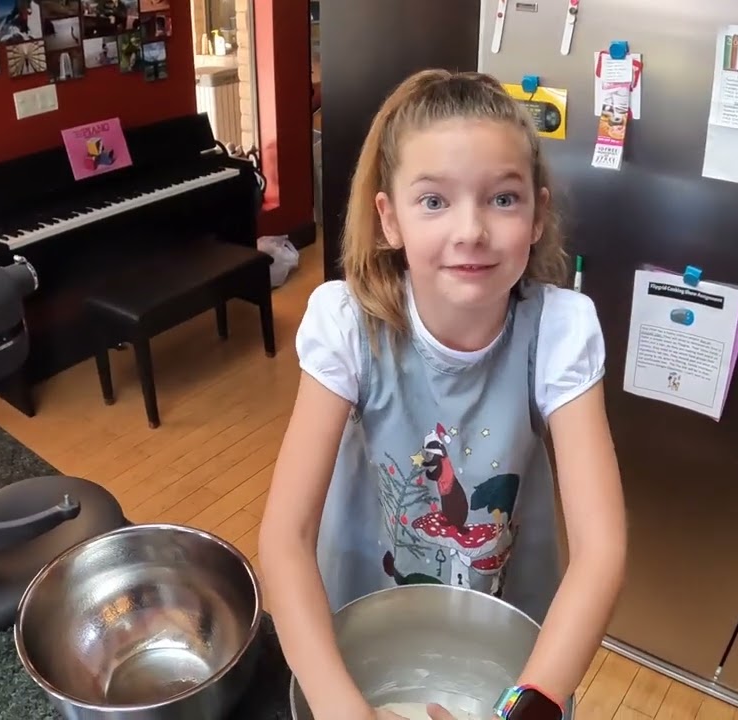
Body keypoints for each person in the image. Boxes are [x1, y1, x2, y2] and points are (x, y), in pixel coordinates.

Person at [259, 69, 627, 720]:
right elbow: (285, 537)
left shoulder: (562, 332)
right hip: (360, 610)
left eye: (503, 199)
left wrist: (524, 710)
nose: (471, 231)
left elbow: (601, 554)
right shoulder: (347, 324)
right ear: (389, 218)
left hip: (506, 618)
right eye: (434, 201)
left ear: (539, 214)